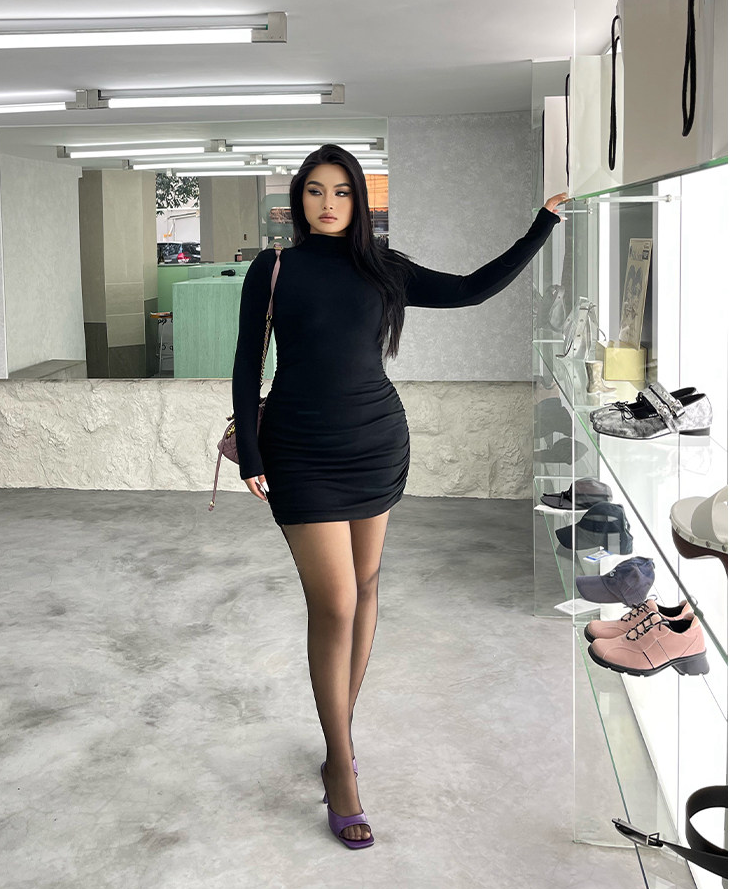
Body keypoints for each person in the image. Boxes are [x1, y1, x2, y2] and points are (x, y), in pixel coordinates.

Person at [231, 143, 566, 849]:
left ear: (359, 200)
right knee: (335, 601)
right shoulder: (274, 267)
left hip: (376, 441)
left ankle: (339, 737)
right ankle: (342, 768)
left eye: (341, 191)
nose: (328, 203)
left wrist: (542, 223)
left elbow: (472, 288)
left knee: (366, 586)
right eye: (315, 190)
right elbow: (244, 361)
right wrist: (251, 456)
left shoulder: (382, 268)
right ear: (298, 199)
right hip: (300, 448)